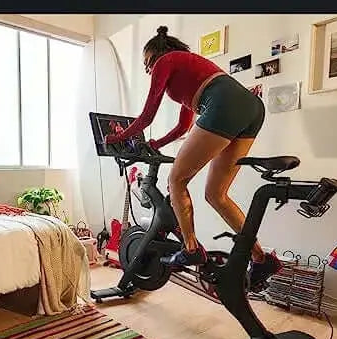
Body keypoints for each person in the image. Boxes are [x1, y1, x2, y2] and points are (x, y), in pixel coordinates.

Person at [104, 25, 282, 289]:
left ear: (157, 54)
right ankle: (261, 258)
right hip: (252, 108)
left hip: (223, 103)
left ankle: (191, 249)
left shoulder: (166, 61)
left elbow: (147, 115)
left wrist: (116, 137)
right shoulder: (190, 69)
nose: (147, 69)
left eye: (147, 62)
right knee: (217, 195)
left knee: (176, 181)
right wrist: (156, 143)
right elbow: (183, 127)